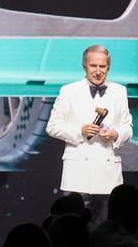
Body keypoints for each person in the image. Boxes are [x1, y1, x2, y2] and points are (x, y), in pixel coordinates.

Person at [43, 44, 131, 217]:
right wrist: (80, 131)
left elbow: (127, 127)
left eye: (102, 66)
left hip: (107, 174)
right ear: (85, 66)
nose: (98, 71)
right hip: (77, 173)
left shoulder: (119, 91)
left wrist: (115, 134)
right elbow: (52, 127)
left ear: (108, 67)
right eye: (93, 66)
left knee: (104, 225)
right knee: (73, 226)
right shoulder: (69, 91)